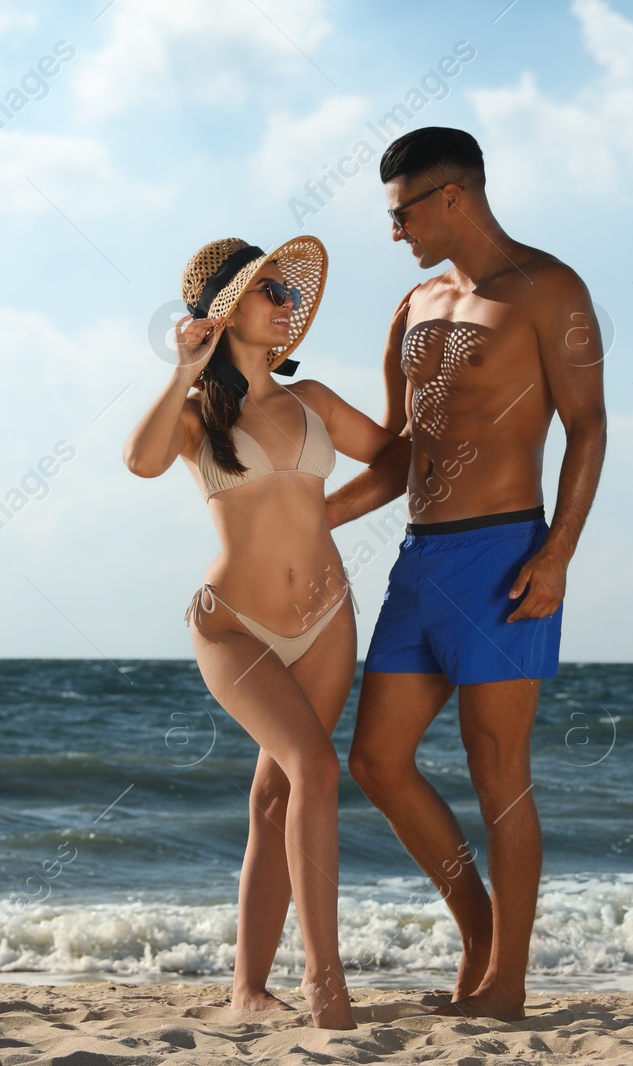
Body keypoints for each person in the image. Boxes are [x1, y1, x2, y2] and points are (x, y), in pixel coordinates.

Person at [326, 127, 608, 1021]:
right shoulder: (412, 307)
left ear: (453, 196)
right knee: (375, 759)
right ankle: (480, 932)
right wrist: (306, 519)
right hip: (421, 559)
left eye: (401, 211)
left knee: (499, 771)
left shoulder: (548, 288)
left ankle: (506, 987)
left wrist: (558, 552)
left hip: (505, 554)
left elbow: (589, 426)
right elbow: (396, 458)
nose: (395, 230)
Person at [124, 235, 399, 1030]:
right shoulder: (195, 413)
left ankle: (248, 987)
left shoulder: (312, 400)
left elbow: (396, 460)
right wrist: (180, 368)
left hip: (326, 618)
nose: (285, 305)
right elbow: (140, 463)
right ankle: (325, 981)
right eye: (269, 292)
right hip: (233, 625)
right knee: (313, 766)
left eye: (286, 293)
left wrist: (330, 513)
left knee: (276, 795)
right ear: (223, 309)